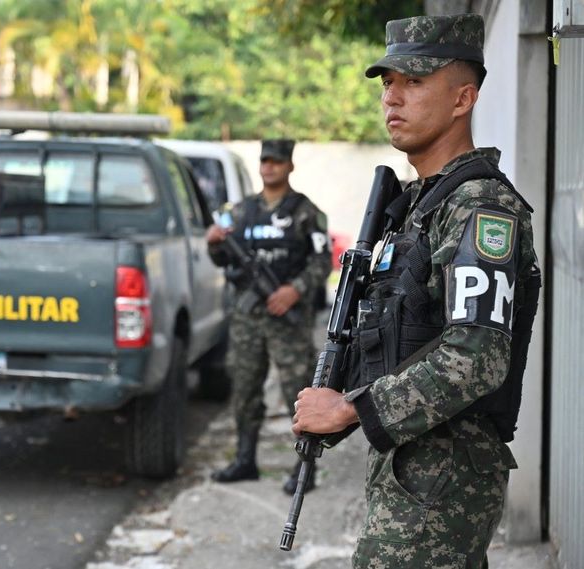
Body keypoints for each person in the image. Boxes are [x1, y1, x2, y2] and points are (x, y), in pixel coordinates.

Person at [291, 14, 540, 568]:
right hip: (417, 464)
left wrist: (351, 408)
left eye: (415, 81)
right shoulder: (419, 206)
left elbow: (476, 356)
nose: (392, 99)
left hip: (445, 471)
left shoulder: (478, 207)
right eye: (387, 84)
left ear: (463, 98)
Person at [207, 139, 331, 494]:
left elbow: (323, 260)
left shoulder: (306, 212)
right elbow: (223, 259)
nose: (269, 167)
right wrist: (214, 242)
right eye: (265, 161)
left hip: (288, 317)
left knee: (299, 392)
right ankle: (245, 459)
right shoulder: (242, 211)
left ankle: (303, 467)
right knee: (245, 388)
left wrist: (295, 289)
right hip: (248, 319)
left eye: (277, 161)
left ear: (289, 166)